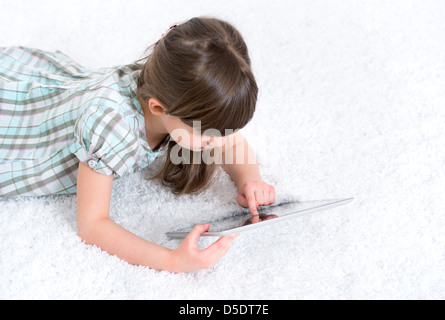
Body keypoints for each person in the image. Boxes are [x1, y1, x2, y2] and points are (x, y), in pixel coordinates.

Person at [0, 16, 276, 272]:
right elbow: (92, 225)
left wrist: (249, 180)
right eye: (208, 133)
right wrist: (171, 260)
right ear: (158, 108)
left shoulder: (168, 86)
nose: (218, 139)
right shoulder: (109, 128)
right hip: (18, 122)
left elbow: (231, 142)